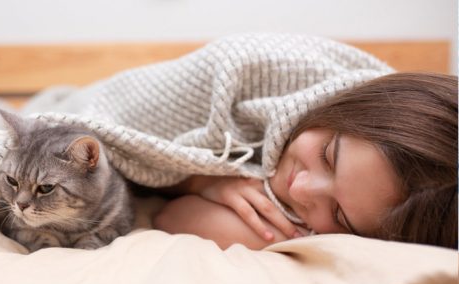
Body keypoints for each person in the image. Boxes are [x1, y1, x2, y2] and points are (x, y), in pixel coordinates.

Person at [152, 72, 458, 250]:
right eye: (327, 156)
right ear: (345, 106)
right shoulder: (274, 75)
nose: (300, 189)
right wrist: (202, 177)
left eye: (339, 214)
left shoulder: (320, 233)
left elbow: (172, 218)